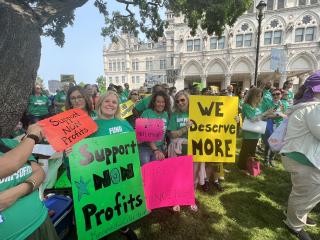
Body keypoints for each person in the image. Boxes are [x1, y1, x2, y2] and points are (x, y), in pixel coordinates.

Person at [89, 91, 138, 240]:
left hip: (122, 171)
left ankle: (123, 226)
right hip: (100, 171)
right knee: (103, 200)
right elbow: (81, 148)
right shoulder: (92, 125)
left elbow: (134, 141)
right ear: (100, 103)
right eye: (107, 101)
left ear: (117, 106)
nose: (110, 104)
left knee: (120, 198)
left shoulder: (123, 122)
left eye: (114, 102)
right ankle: (101, 228)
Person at [0, 124, 59, 240]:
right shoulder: (22, 146)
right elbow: (10, 164)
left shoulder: (11, 144)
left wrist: (17, 192)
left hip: (41, 221)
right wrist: (32, 136)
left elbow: (39, 173)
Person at [280, 71, 320, 240]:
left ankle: (297, 215)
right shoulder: (313, 108)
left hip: (301, 156)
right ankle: (294, 224)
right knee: (306, 191)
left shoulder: (308, 106)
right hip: (302, 157)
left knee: (305, 191)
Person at [167, 90, 201, 212]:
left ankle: (190, 198)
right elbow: (172, 134)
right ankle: (176, 200)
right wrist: (186, 128)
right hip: (178, 148)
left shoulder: (197, 113)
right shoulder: (174, 115)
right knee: (177, 175)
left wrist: (233, 120)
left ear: (188, 100)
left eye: (183, 100)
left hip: (195, 148)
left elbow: (213, 125)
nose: (180, 103)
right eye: (177, 101)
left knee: (193, 175)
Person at [63, 86, 97, 180]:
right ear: (69, 102)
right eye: (73, 98)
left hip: (99, 161)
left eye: (80, 97)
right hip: (77, 164)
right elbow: (63, 144)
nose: (77, 100)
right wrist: (66, 152)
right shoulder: (64, 120)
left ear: (85, 98)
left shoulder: (97, 115)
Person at [238, 87, 273, 175]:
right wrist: (265, 113)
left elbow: (260, 118)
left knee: (252, 151)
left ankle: (250, 166)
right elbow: (253, 119)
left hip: (257, 132)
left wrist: (268, 115)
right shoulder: (246, 106)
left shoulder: (259, 106)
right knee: (245, 151)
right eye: (257, 96)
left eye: (260, 96)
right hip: (249, 133)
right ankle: (242, 167)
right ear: (252, 96)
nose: (259, 98)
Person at [139, 91, 170, 166]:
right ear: (154, 102)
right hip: (145, 148)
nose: (161, 104)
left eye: (163, 102)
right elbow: (145, 134)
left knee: (156, 172)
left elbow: (166, 132)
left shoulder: (165, 114)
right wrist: (155, 150)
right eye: (158, 102)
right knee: (146, 171)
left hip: (160, 147)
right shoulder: (146, 113)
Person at [260, 88, 287, 167]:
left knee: (276, 143)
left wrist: (279, 115)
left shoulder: (283, 104)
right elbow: (264, 115)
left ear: (281, 95)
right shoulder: (267, 103)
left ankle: (271, 159)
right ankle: (266, 159)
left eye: (277, 94)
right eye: (273, 94)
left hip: (279, 126)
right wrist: (277, 115)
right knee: (268, 143)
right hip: (269, 125)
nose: (275, 96)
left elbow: (286, 116)